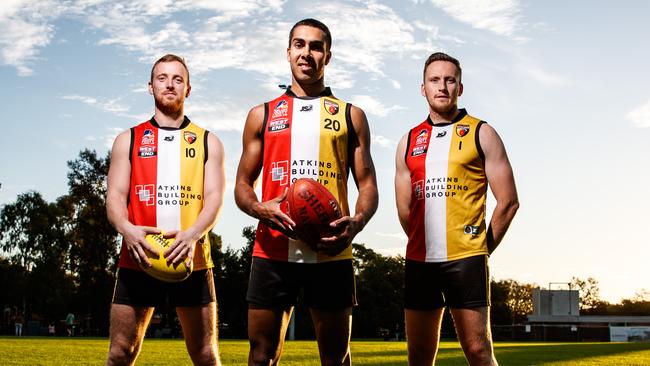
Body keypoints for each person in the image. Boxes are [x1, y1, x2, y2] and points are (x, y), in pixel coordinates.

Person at [235, 18, 378, 366]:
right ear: (288, 53)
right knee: (260, 356)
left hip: (332, 251)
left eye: (316, 46)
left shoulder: (350, 115)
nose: (306, 53)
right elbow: (241, 185)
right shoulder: (262, 114)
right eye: (299, 45)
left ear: (327, 56)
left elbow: (368, 184)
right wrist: (259, 208)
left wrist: (356, 223)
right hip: (272, 250)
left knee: (336, 358)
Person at [394, 52, 519, 366]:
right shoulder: (408, 141)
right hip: (420, 262)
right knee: (419, 356)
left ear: (460, 87)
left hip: (467, 260)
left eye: (450, 80)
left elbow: (508, 202)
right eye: (434, 80)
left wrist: (481, 249)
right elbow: (405, 209)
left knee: (478, 352)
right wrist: (426, 242)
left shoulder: (482, 133)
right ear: (423, 88)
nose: (442, 87)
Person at [105, 54, 226, 365]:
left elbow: (214, 197)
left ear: (188, 88)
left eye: (177, 79)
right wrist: (127, 229)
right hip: (138, 256)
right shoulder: (127, 139)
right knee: (120, 353)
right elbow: (115, 198)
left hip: (192, 258)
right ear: (150, 86)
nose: (169, 84)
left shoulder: (207, 141)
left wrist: (193, 235)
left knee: (206, 356)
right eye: (162, 78)